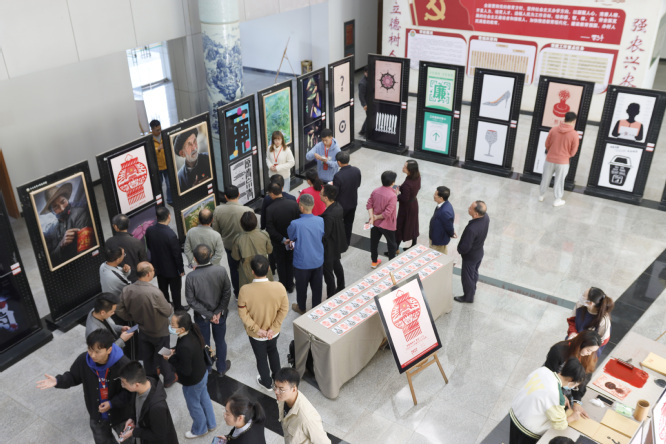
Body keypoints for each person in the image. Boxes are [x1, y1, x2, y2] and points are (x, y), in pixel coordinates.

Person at [36, 329, 133, 444]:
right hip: (97, 414)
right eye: (90, 350)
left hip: (121, 414)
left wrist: (112, 403)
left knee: (129, 441)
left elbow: (131, 392)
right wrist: (58, 381)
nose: (92, 355)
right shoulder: (84, 360)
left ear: (109, 350)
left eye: (97, 352)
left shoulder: (124, 364)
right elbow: (73, 376)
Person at [115, 262, 176, 387]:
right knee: (164, 354)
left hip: (142, 330)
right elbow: (168, 311)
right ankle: (169, 378)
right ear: (148, 274)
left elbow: (119, 310)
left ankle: (151, 379)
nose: (154, 272)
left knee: (147, 357)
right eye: (153, 270)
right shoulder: (154, 292)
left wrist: (132, 317)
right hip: (160, 332)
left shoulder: (127, 290)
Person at [238, 255, 289, 391]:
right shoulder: (279, 287)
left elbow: (243, 314)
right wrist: (273, 327)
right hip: (274, 332)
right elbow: (284, 309)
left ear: (252, 271)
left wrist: (257, 329)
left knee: (261, 358)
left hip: (256, 335)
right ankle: (278, 379)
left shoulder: (244, 290)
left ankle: (266, 382)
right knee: (273, 351)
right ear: (269, 268)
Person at [509, 359, 587, 444]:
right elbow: (560, 424)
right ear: (571, 379)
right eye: (575, 386)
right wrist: (573, 417)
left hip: (516, 412)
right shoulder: (556, 396)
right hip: (527, 428)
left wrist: (560, 394)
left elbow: (540, 389)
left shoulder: (543, 370)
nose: (574, 387)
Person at [166, 311, 217, 439]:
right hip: (202, 373)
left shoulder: (184, 346)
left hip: (192, 382)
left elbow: (185, 371)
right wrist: (174, 349)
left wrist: (170, 358)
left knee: (194, 405)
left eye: (173, 325)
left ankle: (200, 429)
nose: (170, 326)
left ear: (182, 329)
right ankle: (211, 424)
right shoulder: (193, 332)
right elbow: (177, 344)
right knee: (204, 398)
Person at [185, 244, 232, 374]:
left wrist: (209, 315)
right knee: (220, 341)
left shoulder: (191, 277)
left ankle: (208, 367)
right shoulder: (221, 270)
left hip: (201, 316)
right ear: (211, 255)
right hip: (219, 315)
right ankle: (221, 367)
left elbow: (191, 301)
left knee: (204, 342)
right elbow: (227, 292)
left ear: (195, 258)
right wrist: (217, 312)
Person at [544, 331, 602, 419]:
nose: (590, 354)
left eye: (593, 351)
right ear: (580, 344)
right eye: (588, 350)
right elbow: (549, 376)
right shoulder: (558, 351)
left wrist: (577, 401)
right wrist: (559, 394)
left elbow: (584, 379)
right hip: (550, 386)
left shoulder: (588, 356)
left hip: (566, 388)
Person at [118, 361, 179, 444]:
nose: (122, 385)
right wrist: (132, 418)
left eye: (124, 383)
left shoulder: (157, 407)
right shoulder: (140, 388)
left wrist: (134, 432)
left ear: (136, 385)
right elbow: (139, 408)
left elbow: (159, 435)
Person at [39, 181, 94, 268]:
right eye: (56, 206)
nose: (62, 208)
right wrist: (61, 244)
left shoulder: (80, 214)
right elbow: (52, 258)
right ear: (52, 211)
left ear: (67, 199)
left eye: (63, 201)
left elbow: (86, 252)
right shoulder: (54, 229)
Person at [212, 185, 253, 298]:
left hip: (229, 246)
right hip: (245, 245)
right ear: (239, 194)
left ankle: (238, 293)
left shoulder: (218, 211)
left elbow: (216, 231)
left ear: (225, 196)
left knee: (234, 269)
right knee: (248, 267)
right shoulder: (247, 210)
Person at [287, 194, 325, 315]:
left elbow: (291, 237)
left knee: (301, 288)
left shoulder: (295, 224)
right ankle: (316, 309)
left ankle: (301, 307)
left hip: (302, 263)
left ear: (301, 207)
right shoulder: (320, 220)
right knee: (317, 287)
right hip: (317, 260)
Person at [274, 367, 331, 444]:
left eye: (281, 389)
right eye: (275, 386)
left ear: (294, 389)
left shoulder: (307, 418)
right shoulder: (283, 398)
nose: (276, 392)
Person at [144, 206, 186, 310]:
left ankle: (166, 306)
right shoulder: (171, 234)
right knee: (175, 290)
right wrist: (181, 269)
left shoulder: (149, 230)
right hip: (172, 269)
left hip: (158, 267)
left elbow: (149, 246)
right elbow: (177, 254)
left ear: (156, 217)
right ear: (169, 216)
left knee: (163, 289)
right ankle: (178, 308)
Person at [265, 182, 301, 293]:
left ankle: (283, 285)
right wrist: (292, 238)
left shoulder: (270, 209)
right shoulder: (293, 204)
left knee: (280, 263)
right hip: (292, 240)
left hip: (278, 242)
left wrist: (283, 239)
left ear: (272, 194)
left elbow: (270, 229)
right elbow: (298, 223)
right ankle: (290, 284)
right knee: (290, 261)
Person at [539, 112, 580, 207]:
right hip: (563, 162)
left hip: (550, 159)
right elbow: (574, 151)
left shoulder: (553, 130)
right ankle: (557, 199)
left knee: (545, 178)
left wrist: (551, 151)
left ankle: (541, 195)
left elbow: (547, 144)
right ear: (574, 121)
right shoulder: (574, 134)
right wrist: (567, 155)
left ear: (564, 118)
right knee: (559, 181)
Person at [455, 201, 490, 303]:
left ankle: (468, 297)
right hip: (479, 252)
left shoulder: (472, 229)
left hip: (470, 256)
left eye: (470, 208)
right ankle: (473, 289)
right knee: (474, 273)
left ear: (476, 214)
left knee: (467, 277)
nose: (468, 208)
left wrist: (460, 250)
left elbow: (466, 246)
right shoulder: (486, 217)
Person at [231, 212, 274, 288]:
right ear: (256, 222)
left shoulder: (238, 239)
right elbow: (270, 250)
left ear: (242, 224)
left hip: (247, 271)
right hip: (263, 268)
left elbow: (236, 257)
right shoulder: (264, 234)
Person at [567, 287, 614, 355]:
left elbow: (602, 340)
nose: (581, 297)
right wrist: (572, 332)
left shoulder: (603, 320)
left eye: (583, 296)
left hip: (588, 348)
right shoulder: (580, 305)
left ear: (590, 303)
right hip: (575, 337)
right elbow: (572, 320)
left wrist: (584, 348)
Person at [366, 170, 398, 268]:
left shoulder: (375, 191)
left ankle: (374, 261)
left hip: (375, 223)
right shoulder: (392, 196)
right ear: (392, 182)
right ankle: (391, 264)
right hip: (388, 224)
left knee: (374, 243)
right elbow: (387, 213)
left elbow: (369, 204)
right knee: (391, 244)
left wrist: (372, 217)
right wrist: (376, 217)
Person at [320, 184, 347, 297]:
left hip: (329, 247)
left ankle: (331, 294)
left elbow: (325, 234)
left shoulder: (328, 216)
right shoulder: (338, 206)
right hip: (337, 243)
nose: (320, 195)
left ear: (326, 198)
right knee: (337, 264)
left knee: (328, 271)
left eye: (321, 194)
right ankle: (341, 285)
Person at [105, 214, 148, 282]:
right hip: (136, 279)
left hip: (118, 279)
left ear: (115, 226)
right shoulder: (137, 242)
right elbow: (144, 262)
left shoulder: (109, 242)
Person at [333, 151, 362, 246]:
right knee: (349, 224)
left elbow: (335, 193)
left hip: (341, 205)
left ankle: (338, 243)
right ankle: (346, 242)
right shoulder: (356, 170)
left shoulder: (338, 176)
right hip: (353, 202)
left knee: (338, 225)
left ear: (338, 162)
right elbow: (358, 184)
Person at [395, 160, 422, 253]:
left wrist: (396, 196)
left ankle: (395, 248)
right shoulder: (417, 177)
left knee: (400, 225)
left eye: (405, 167)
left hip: (406, 208)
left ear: (410, 170)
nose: (403, 167)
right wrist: (400, 187)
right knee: (414, 224)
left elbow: (404, 198)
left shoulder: (407, 184)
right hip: (414, 204)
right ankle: (414, 244)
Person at [174, 127, 212, 192]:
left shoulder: (209, 158)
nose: (194, 148)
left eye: (194, 141)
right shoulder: (180, 178)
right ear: (182, 153)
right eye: (189, 145)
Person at [150, 119, 172, 205]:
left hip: (166, 165)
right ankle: (160, 203)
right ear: (152, 129)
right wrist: (157, 149)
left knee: (169, 184)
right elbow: (149, 152)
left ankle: (170, 200)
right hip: (157, 168)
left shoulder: (164, 135)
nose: (159, 131)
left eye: (160, 129)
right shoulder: (149, 139)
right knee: (158, 187)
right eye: (157, 130)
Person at [429, 186, 456, 254]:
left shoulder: (445, 212)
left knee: (437, 256)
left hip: (438, 241)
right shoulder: (444, 205)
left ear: (441, 198)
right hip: (436, 236)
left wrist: (452, 233)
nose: (434, 196)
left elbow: (449, 226)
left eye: (435, 194)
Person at [358, 66, 369, 136]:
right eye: (367, 73)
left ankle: (363, 131)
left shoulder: (369, 79)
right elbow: (361, 96)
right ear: (364, 73)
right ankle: (365, 132)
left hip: (370, 101)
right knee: (370, 117)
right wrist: (364, 105)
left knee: (369, 117)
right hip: (367, 103)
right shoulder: (362, 83)